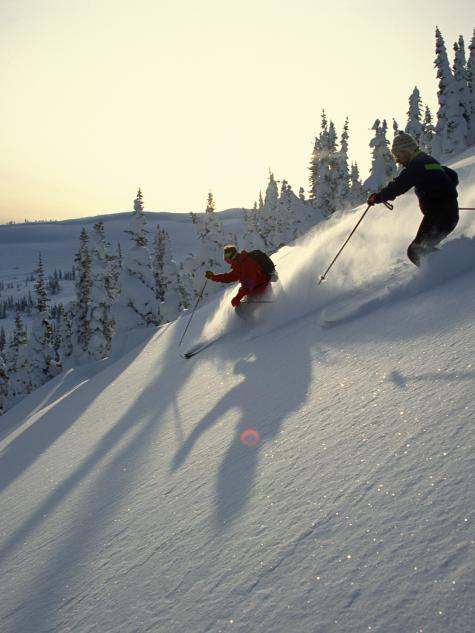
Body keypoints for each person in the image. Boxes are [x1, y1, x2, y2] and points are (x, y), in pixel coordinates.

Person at [367, 131, 459, 266]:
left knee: (416, 251)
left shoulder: (417, 165)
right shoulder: (428, 160)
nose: (397, 160)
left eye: (398, 155)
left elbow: (400, 185)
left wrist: (378, 197)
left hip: (440, 215)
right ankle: (451, 267)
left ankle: (451, 270)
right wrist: (445, 196)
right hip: (446, 213)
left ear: (406, 151)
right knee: (419, 249)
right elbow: (452, 176)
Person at [205, 244, 271, 309]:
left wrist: (237, 298)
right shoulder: (239, 264)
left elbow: (248, 285)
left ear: (232, 256)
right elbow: (229, 277)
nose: (228, 262)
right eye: (225, 260)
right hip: (255, 286)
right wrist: (213, 277)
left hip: (261, 286)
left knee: (242, 308)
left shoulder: (246, 263)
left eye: (227, 259)